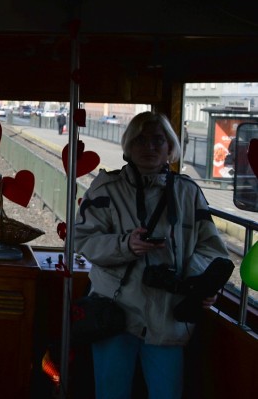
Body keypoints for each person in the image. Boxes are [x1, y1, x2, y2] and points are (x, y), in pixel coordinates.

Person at [74, 111, 234, 399]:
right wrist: (126, 245)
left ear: (170, 148)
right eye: (140, 140)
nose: (149, 147)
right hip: (115, 312)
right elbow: (83, 239)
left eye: (158, 141)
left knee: (167, 393)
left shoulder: (188, 192)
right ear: (128, 146)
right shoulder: (106, 188)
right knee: (111, 393)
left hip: (168, 316)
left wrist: (197, 285)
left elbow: (211, 248)